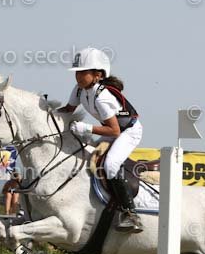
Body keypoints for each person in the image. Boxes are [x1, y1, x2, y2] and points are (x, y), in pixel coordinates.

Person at [57, 47, 143, 233]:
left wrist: (87, 128)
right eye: (77, 72)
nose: (78, 76)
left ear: (98, 75)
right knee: (89, 155)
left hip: (129, 131)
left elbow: (115, 130)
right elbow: (68, 110)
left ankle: (131, 214)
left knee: (110, 165)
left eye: (83, 72)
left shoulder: (102, 97)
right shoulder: (79, 90)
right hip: (113, 130)